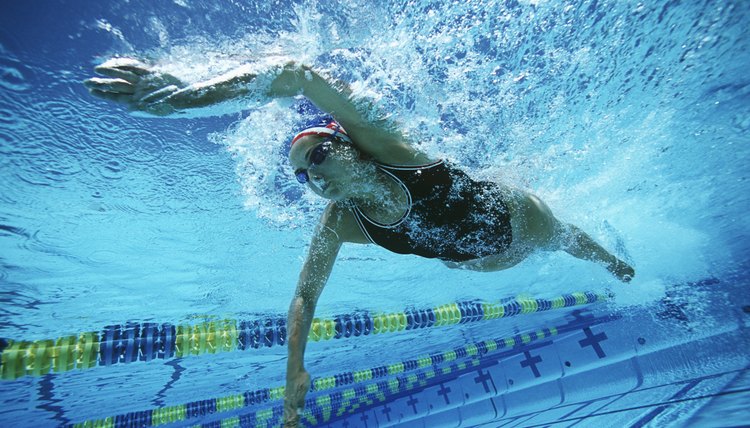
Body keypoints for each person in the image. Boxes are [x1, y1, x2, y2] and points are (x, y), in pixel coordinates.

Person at [85, 57, 634, 427]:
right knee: (479, 258)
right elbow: (305, 294)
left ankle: (617, 266)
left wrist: (181, 97)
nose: (314, 175)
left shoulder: (387, 146)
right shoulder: (341, 221)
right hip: (482, 261)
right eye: (302, 175)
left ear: (344, 144)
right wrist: (294, 368)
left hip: (519, 221)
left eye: (318, 154)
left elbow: (295, 72)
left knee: (561, 237)